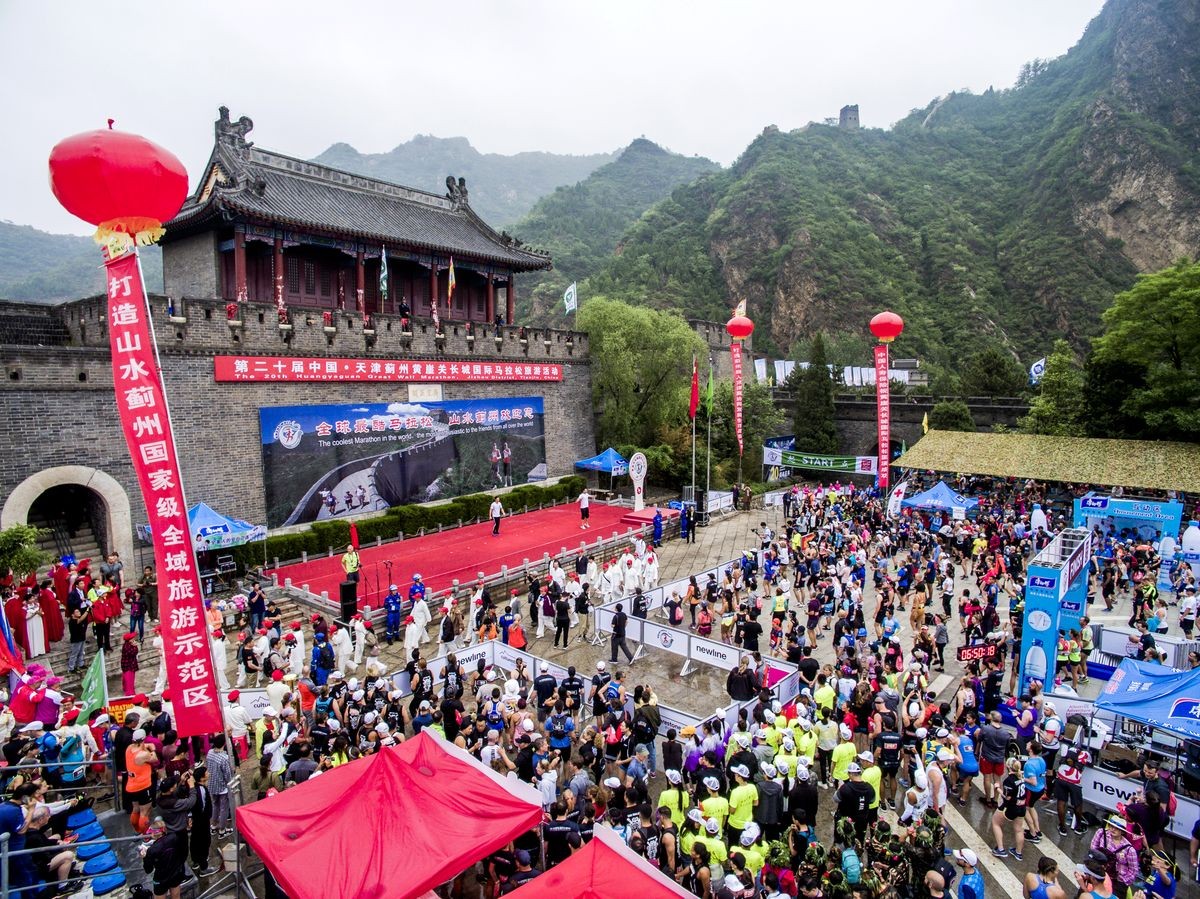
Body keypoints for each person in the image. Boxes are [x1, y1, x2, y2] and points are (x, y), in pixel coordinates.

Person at [991, 757, 1028, 860]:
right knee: (1019, 830)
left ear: (1008, 767)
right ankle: (1018, 852)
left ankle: (1001, 849)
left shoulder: (1009, 780)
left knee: (995, 823)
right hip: (1022, 807)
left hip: (1011, 807)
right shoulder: (1021, 777)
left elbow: (1007, 797)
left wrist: (997, 788)